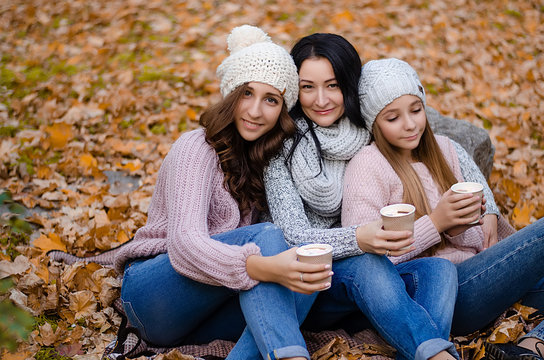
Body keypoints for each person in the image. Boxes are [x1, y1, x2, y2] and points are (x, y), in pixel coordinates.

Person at [110, 25, 333, 360]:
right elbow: (186, 245)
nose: (256, 111)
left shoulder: (265, 159)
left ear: (282, 111)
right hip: (153, 293)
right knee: (269, 238)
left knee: (306, 269)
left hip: (207, 307)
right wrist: (263, 267)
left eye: (271, 100)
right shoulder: (196, 146)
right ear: (230, 94)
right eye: (247, 93)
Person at [264, 33, 472, 360]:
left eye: (332, 85)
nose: (320, 100)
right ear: (295, 89)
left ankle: (426, 350)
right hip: (306, 281)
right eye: (308, 87)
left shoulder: (369, 133)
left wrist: (483, 199)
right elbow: (292, 235)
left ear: (348, 85)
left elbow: (442, 147)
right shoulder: (280, 148)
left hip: (370, 282)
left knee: (440, 270)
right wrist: (359, 238)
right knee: (365, 264)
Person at [342, 57, 544, 360]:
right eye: (393, 117)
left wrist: (458, 229)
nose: (410, 124)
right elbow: (368, 264)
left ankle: (531, 347)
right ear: (374, 122)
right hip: (436, 295)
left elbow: (478, 243)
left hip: (480, 276)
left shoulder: (445, 149)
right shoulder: (367, 166)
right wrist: (435, 223)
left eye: (416, 109)